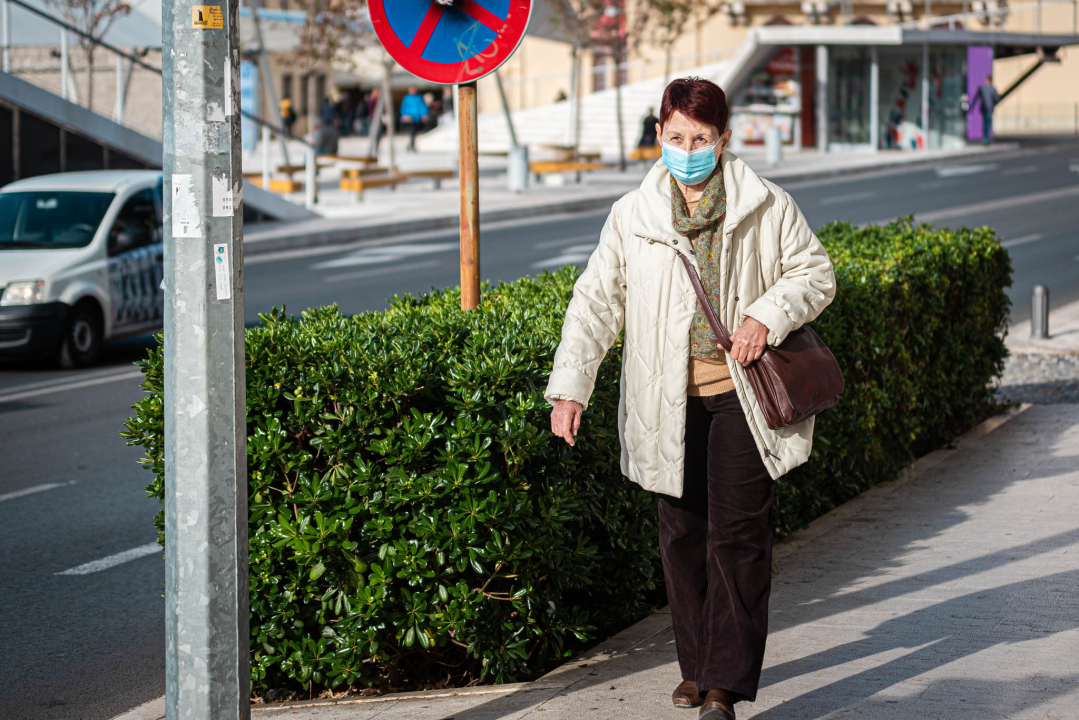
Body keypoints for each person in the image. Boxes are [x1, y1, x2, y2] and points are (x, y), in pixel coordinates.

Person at [546, 77, 836, 720]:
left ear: (724, 139)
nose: (687, 150)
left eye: (701, 139)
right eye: (676, 137)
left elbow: (814, 273)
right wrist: (570, 389)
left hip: (742, 392)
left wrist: (765, 316)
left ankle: (723, 686)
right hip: (666, 397)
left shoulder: (766, 205)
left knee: (739, 535)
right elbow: (595, 303)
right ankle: (696, 666)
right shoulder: (633, 214)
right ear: (658, 135)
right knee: (681, 533)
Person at [972, 74, 1001, 145]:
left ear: (987, 80)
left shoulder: (982, 88)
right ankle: (987, 138)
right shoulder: (993, 89)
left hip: (984, 108)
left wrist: (971, 107)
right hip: (990, 108)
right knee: (988, 123)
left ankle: (985, 138)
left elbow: (976, 98)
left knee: (985, 123)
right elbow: (997, 99)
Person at [399, 87, 430, 152]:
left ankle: (411, 144)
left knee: (414, 132)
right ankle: (412, 145)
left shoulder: (419, 97)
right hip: (410, 118)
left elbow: (422, 106)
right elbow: (404, 107)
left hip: (417, 118)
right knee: (412, 131)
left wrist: (424, 114)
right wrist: (404, 115)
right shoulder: (407, 98)